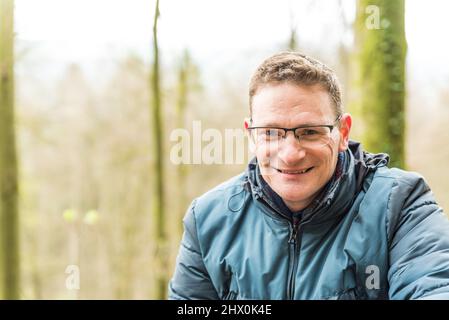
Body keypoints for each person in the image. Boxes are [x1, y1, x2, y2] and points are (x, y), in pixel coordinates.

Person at [168, 52, 449, 300]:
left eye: (310, 132)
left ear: (343, 133)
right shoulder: (208, 220)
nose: (290, 154)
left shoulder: (399, 205)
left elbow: (434, 285)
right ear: (251, 136)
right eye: (271, 133)